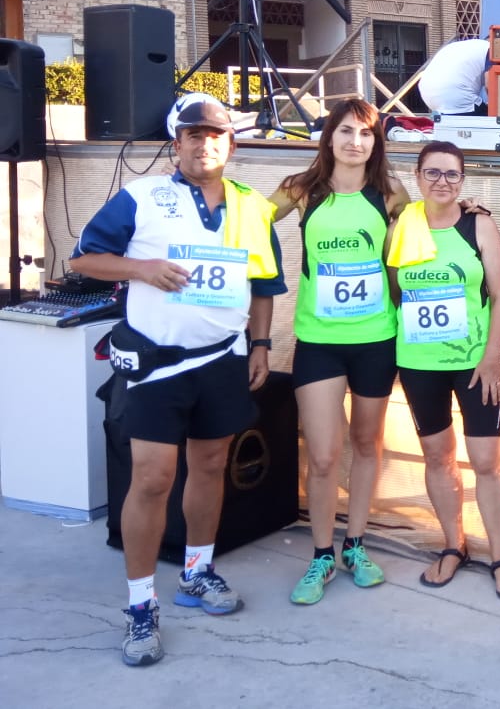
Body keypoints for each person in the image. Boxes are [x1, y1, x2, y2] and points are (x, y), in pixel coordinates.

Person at [70, 92, 285, 667]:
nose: (205, 144)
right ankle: (141, 605)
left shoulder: (251, 207)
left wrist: (261, 345)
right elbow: (83, 258)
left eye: (215, 135)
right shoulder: (142, 197)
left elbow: (264, 284)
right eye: (194, 135)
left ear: (230, 145)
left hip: (223, 358)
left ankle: (197, 570)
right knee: (152, 479)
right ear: (177, 143)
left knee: (211, 464)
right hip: (158, 364)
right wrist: (139, 268)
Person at [270, 99, 409, 605]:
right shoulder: (300, 189)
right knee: (325, 455)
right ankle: (321, 555)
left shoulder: (390, 193)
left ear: (376, 142)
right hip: (320, 341)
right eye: (346, 131)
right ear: (329, 137)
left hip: (376, 339)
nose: (356, 141)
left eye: (366, 133)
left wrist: (469, 211)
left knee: (367, 444)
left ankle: (355, 545)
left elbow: (422, 238)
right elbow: (246, 223)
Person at [385, 141, 500, 600]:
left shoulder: (478, 224)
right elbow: (395, 291)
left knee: (486, 460)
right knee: (437, 457)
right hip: (420, 363)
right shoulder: (402, 226)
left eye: (451, 174)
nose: (442, 181)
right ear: (418, 176)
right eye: (432, 172)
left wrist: (491, 357)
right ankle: (453, 545)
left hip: (473, 364)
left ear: (463, 180)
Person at [418, 37, 491, 116]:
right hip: (455, 93)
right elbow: (490, 84)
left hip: (428, 94)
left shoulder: (464, 46)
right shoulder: (492, 50)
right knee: (492, 118)